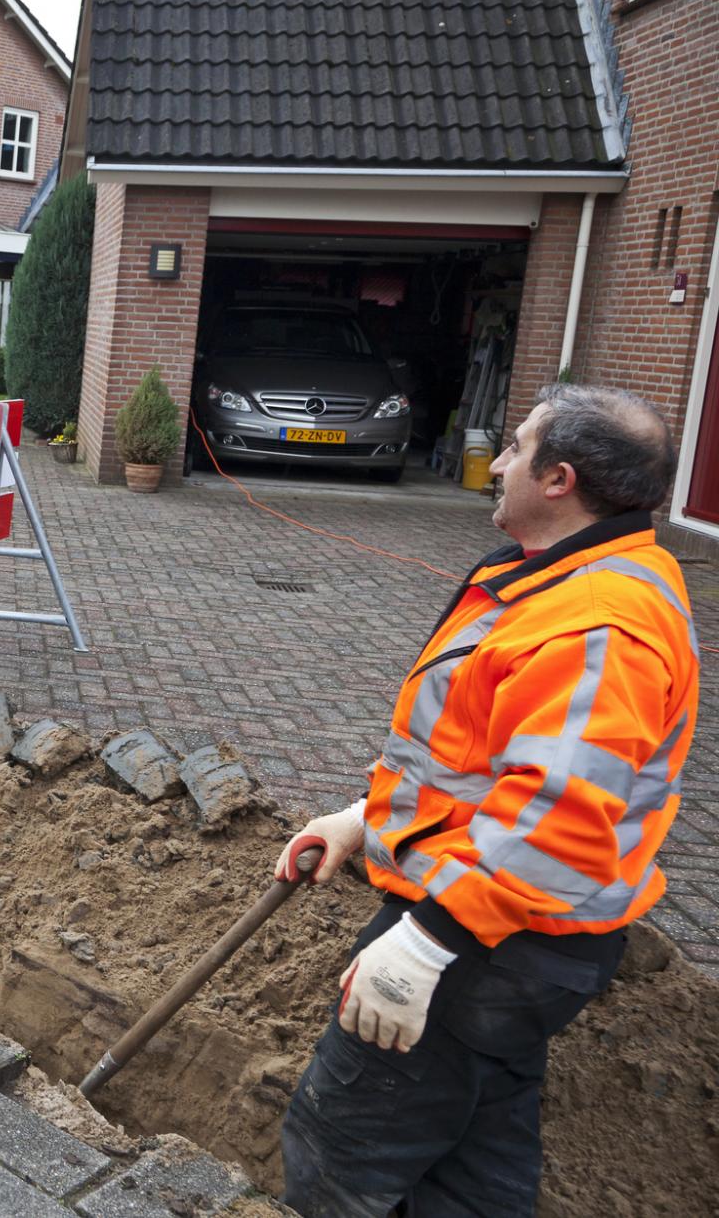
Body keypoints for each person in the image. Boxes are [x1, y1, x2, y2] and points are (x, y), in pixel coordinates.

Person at [273, 383, 696, 1217]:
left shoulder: (598, 625)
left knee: (345, 1146)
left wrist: (428, 944)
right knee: (470, 1159)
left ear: (559, 480)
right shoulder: (569, 578)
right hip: (515, 935)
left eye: (515, 447)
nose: (496, 463)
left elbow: (560, 818)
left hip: (492, 939)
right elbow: (480, 756)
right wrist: (363, 820)